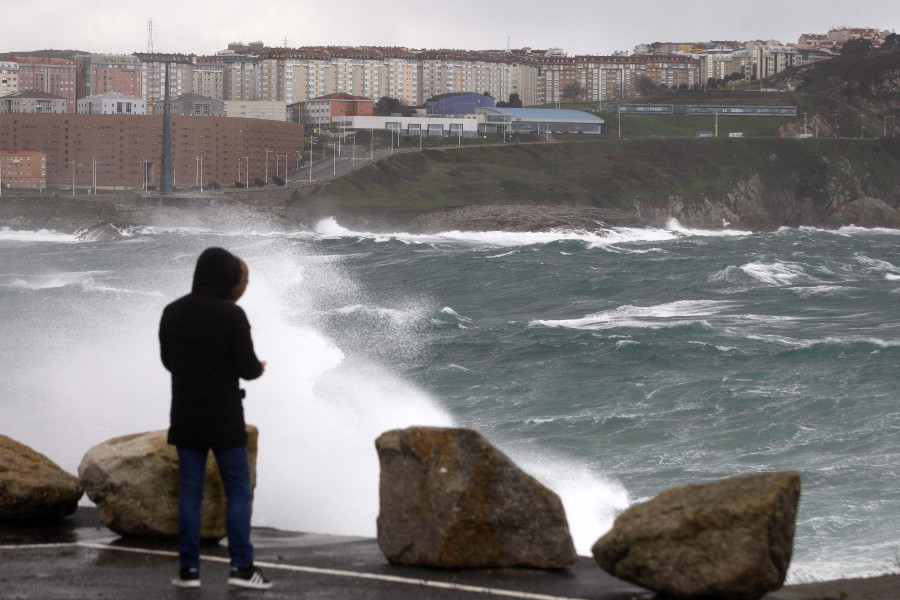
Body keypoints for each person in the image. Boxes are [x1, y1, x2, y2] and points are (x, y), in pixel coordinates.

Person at [159, 247, 273, 590]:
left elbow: (168, 361)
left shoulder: (172, 312)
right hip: (224, 416)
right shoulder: (231, 315)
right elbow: (247, 368)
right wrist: (259, 367)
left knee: (190, 494)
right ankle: (241, 568)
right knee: (237, 492)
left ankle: (188, 571)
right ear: (227, 278)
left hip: (186, 414)